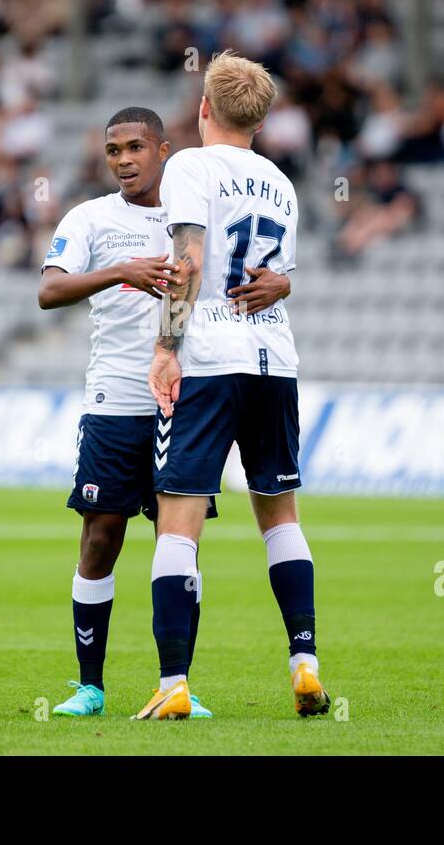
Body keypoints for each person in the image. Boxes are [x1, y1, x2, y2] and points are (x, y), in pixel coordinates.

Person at [38, 106, 293, 718]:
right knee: (102, 535)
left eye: (135, 148)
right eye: (113, 151)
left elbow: (251, 262)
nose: (124, 160)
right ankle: (89, 686)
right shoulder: (90, 218)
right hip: (117, 398)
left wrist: (282, 283)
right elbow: (48, 291)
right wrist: (120, 272)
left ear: (164, 149)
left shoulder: (195, 208)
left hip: (187, 396)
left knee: (179, 540)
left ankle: (176, 682)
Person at [138, 51, 330, 720]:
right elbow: (275, 278)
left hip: (212, 356)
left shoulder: (190, 166)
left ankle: (174, 683)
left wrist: (166, 345)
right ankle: (305, 662)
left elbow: (189, 259)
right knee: (279, 515)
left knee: (179, 518)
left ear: (203, 109)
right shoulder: (281, 182)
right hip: (275, 359)